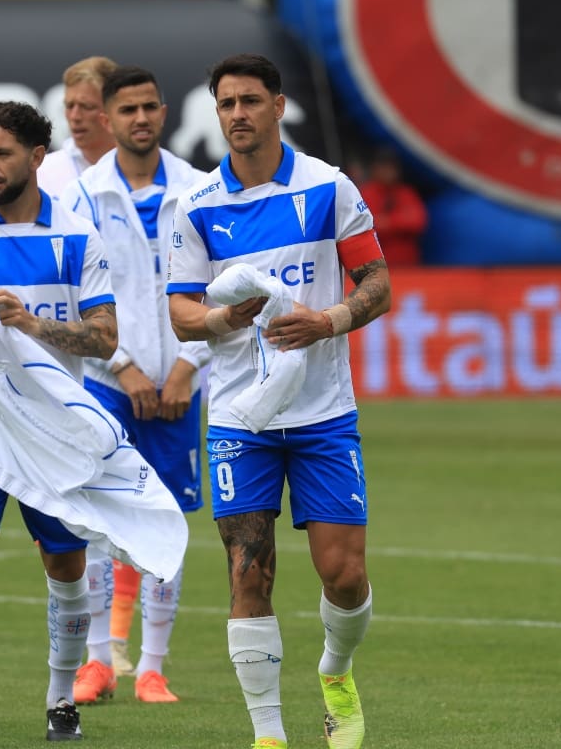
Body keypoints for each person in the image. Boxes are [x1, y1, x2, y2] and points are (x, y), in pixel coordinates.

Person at [166, 54, 392, 749]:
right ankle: (268, 736)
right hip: (240, 418)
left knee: (344, 575)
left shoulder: (328, 187)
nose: (237, 114)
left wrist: (330, 320)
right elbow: (181, 312)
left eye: (250, 101)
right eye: (226, 103)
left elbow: (377, 281)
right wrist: (221, 319)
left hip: (323, 411)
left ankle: (336, 670)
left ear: (278, 106)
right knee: (248, 573)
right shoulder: (197, 205)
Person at [0, 101, 119, 748]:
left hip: (54, 432)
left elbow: (104, 339)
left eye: (2, 154)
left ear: (36, 158)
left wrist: (31, 323)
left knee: (65, 564)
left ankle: (61, 700)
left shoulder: (78, 237)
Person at [61, 65, 209, 705]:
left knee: (167, 523)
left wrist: (187, 366)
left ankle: (152, 668)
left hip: (179, 387)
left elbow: (223, 288)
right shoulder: (82, 196)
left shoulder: (200, 190)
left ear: (164, 113)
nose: (141, 118)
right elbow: (74, 293)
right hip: (105, 383)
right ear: (108, 119)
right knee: (97, 523)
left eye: (150, 107)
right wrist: (121, 364)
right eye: (128, 110)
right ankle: (98, 662)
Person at [37, 56, 118, 199]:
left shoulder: (145, 168)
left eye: (86, 106)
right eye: (69, 106)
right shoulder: (42, 172)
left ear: (115, 108)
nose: (74, 116)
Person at [355, 145, 427, 265]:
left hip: (407, 265)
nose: (387, 172)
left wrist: (388, 222)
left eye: (391, 167)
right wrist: (397, 222)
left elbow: (418, 221)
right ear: (374, 169)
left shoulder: (406, 193)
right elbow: (361, 226)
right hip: (375, 266)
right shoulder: (365, 193)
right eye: (382, 167)